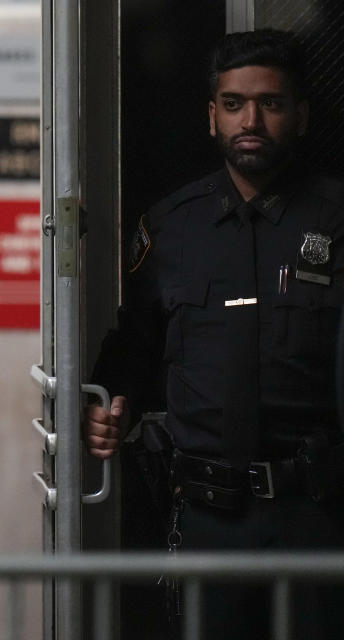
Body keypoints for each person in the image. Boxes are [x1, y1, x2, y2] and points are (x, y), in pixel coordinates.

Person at [86, 29, 344, 639]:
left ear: (301, 115)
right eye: (233, 104)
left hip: (317, 512)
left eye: (271, 103)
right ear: (211, 117)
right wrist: (103, 403)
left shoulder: (335, 221)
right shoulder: (170, 228)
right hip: (206, 513)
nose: (250, 119)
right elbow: (134, 347)